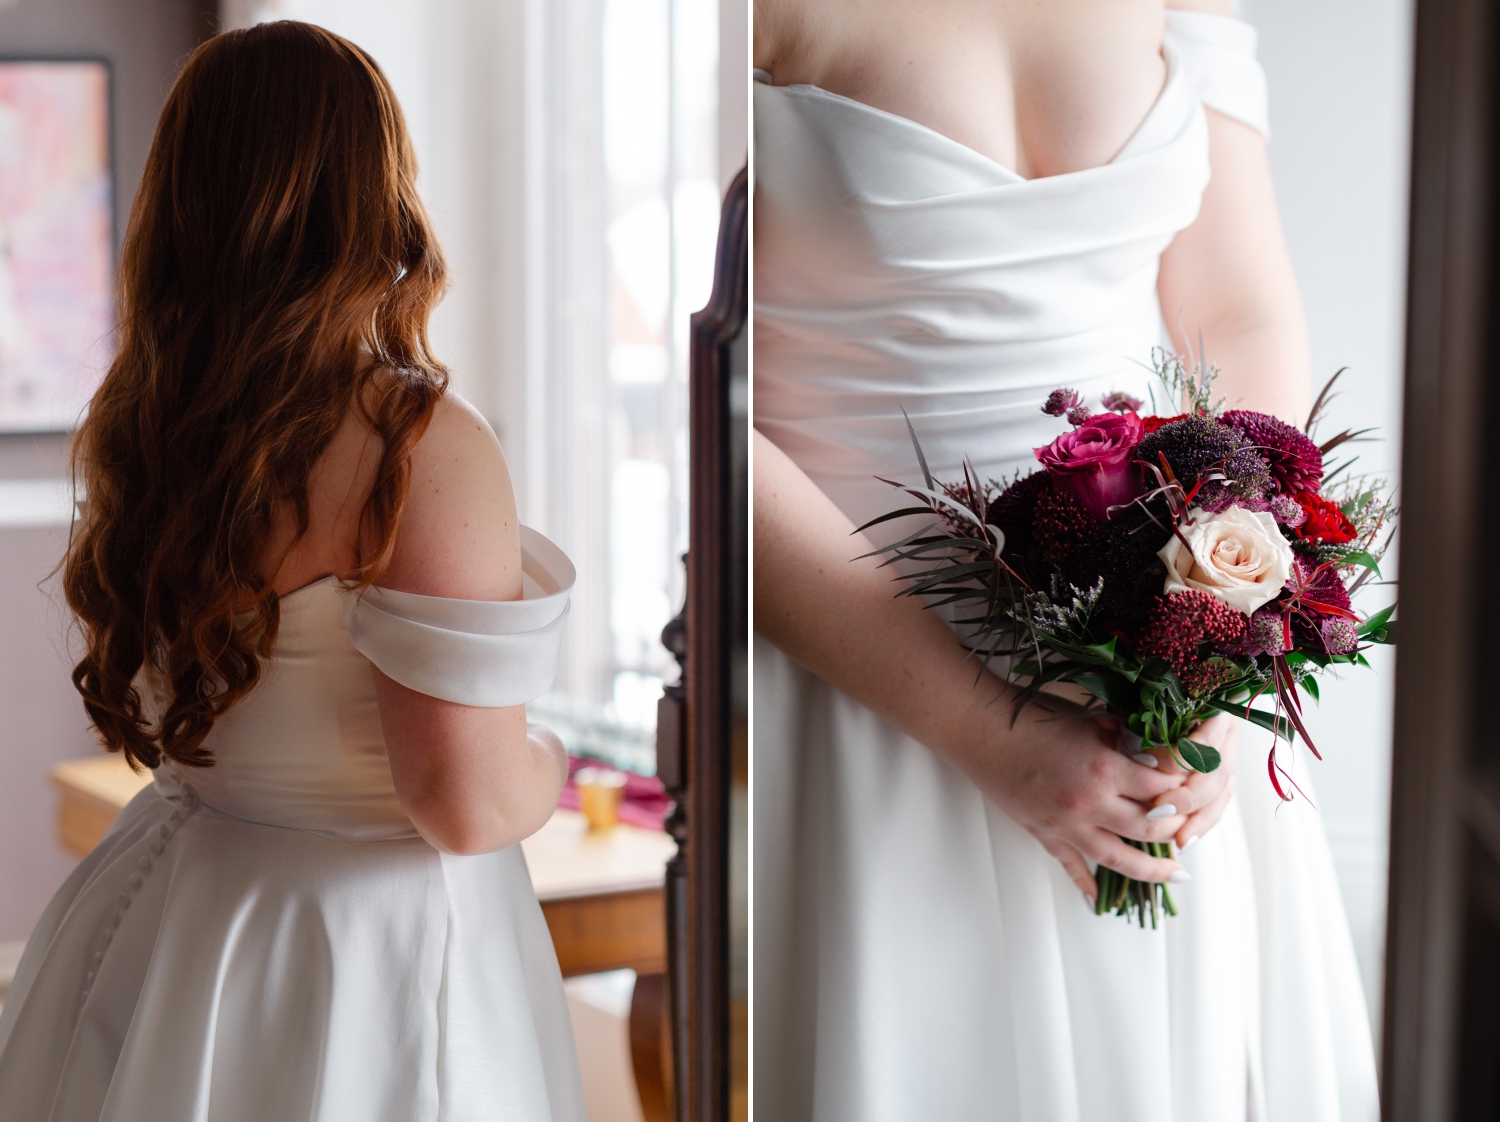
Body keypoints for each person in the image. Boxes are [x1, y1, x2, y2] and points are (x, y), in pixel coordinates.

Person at [752, 1, 1379, 1119]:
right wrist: (977, 727)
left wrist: (1224, 653)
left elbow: (1240, 312)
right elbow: (710, 419)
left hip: (1161, 664)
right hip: (873, 684)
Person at [0, 23, 583, 1121]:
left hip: (184, 917)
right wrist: (550, 762)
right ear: (376, 193)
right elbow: (462, 799)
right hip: (354, 957)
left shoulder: (152, 424)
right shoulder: (417, 444)